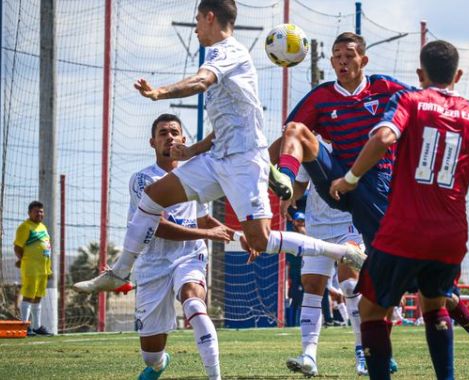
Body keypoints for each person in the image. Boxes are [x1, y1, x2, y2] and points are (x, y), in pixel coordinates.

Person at [73, 0, 365, 294]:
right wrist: (192, 151)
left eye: (198, 19)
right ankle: (120, 271)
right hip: (217, 159)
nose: (196, 27)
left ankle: (339, 252)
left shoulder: (227, 52)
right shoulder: (218, 54)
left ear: (210, 17)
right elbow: (225, 124)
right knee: (151, 198)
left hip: (243, 161)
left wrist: (160, 92)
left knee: (261, 241)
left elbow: (201, 82)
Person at [271, 31, 469, 375]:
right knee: (295, 128)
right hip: (340, 182)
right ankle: (282, 177)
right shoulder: (321, 97)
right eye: (336, 56)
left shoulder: (386, 88)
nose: (341, 61)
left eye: (349, 55)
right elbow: (288, 136)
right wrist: (260, 169)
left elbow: (438, 96)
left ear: (363, 60)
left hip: (379, 191)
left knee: (433, 294)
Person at [331, 40, 469, 379]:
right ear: (458, 75)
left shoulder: (410, 100)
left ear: (420, 74)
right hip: (450, 237)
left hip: (403, 231)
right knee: (434, 304)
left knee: (372, 310)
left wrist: (351, 178)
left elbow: (384, 138)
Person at [123, 114, 237, 380]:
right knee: (151, 355)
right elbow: (158, 227)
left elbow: (203, 218)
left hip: (190, 255)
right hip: (153, 264)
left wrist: (239, 236)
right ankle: (160, 363)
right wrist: (208, 232)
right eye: (163, 133)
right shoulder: (142, 180)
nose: (169, 137)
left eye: (175, 132)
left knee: (193, 300)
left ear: (184, 140)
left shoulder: (195, 174)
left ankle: (215, 377)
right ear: (152, 142)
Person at [285, 139, 367, 377]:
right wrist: (285, 194)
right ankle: (309, 356)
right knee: (312, 287)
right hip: (317, 227)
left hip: (349, 224)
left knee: (350, 283)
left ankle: (363, 350)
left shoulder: (353, 140)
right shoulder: (311, 146)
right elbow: (299, 185)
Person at [13, 201, 54, 337]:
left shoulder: (42, 227)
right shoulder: (25, 227)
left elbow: (46, 247)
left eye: (41, 211)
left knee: (38, 297)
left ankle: (36, 327)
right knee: (29, 295)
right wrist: (23, 260)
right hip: (31, 267)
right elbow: (18, 246)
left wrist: (49, 269)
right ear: (29, 213)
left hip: (43, 269)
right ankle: (24, 326)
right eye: (36, 211)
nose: (39, 214)